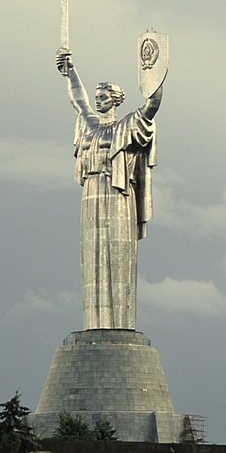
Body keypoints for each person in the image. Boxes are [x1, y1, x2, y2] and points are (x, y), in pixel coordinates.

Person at [56, 47, 164, 330]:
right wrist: (70, 71)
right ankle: (95, 325)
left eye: (104, 97)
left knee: (119, 260)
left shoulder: (126, 126)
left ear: (115, 100)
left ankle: (119, 326)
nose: (98, 100)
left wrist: (154, 75)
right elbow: (78, 102)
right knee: (92, 259)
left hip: (118, 196)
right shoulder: (89, 126)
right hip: (91, 195)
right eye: (97, 97)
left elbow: (151, 108)